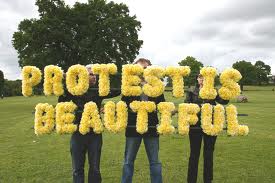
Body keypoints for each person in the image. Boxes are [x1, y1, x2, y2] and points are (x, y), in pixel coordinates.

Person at [58, 65, 120, 183]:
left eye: (95, 75)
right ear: (83, 76)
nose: (94, 77)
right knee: (77, 168)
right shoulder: (76, 90)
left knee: (95, 168)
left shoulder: (99, 90)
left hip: (94, 134)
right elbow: (62, 101)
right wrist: (67, 80)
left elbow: (116, 91)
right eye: (91, 74)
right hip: (77, 132)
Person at [121, 58, 164, 183]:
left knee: (155, 162)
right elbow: (124, 104)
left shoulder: (156, 87)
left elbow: (162, 104)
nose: (142, 71)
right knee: (128, 161)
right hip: (132, 128)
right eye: (140, 68)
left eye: (145, 68)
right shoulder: (129, 86)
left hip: (151, 128)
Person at [185, 74, 229, 183]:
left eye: (204, 77)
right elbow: (186, 105)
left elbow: (224, 101)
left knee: (208, 154)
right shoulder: (191, 91)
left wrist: (226, 91)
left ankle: (208, 180)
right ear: (197, 79)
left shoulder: (213, 91)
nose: (202, 79)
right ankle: (191, 180)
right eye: (200, 77)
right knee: (194, 154)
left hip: (211, 126)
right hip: (195, 126)